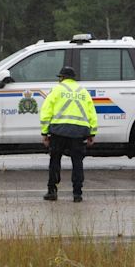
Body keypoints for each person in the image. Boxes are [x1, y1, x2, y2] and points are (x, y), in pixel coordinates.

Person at [40, 66, 98, 202]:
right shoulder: (83, 92)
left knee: (55, 160)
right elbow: (92, 114)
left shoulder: (56, 90)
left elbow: (46, 112)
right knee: (77, 163)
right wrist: (92, 133)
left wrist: (44, 133)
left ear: (62, 78)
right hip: (79, 132)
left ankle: (52, 191)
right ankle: (77, 194)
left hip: (58, 131)